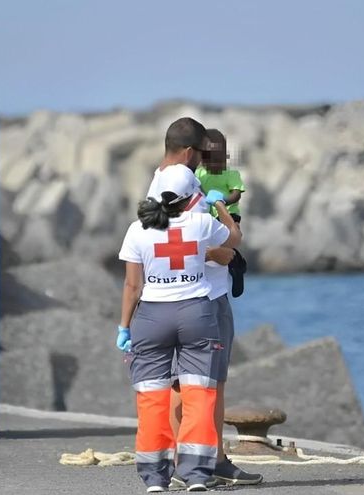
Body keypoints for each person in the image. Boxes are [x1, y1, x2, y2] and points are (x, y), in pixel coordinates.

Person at [148, 119, 262, 488]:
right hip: (202, 297)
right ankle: (199, 461)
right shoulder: (180, 182)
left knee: (199, 383)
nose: (202, 163)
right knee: (201, 383)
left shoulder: (160, 183)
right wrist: (221, 253)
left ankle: (206, 459)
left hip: (190, 295)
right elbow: (198, 243)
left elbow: (160, 240)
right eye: (200, 155)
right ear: (188, 152)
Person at [118, 165, 242, 492]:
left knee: (151, 399)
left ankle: (155, 478)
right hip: (196, 315)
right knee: (199, 394)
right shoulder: (202, 223)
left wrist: (124, 327)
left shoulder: (137, 230)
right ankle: (197, 475)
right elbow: (234, 240)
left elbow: (132, 286)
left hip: (151, 319)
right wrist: (219, 206)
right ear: (191, 198)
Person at [195, 128, 248, 298]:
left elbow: (236, 193)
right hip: (208, 216)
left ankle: (236, 267)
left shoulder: (231, 173)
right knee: (212, 248)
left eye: (219, 159)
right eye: (210, 159)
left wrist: (223, 201)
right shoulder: (199, 173)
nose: (215, 164)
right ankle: (231, 264)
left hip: (229, 213)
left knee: (228, 241)